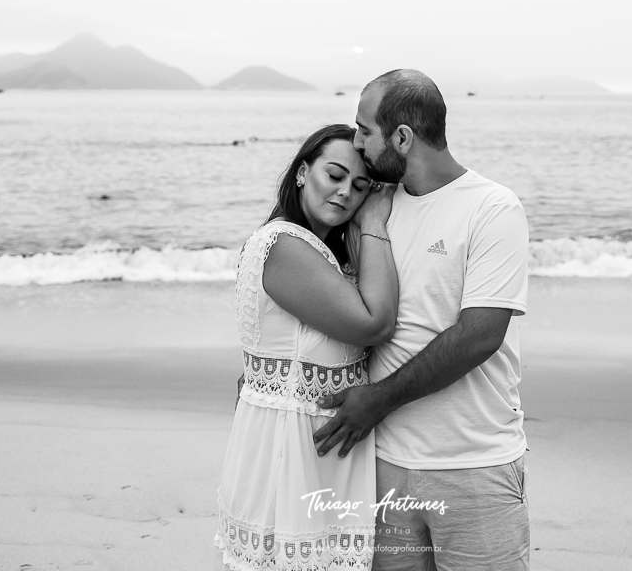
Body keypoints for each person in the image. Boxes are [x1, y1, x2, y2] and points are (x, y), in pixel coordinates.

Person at [314, 70, 531, 570]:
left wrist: (379, 399)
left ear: (402, 138)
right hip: (382, 466)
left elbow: (480, 336)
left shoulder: (492, 208)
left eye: (365, 130)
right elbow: (326, 288)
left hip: (473, 466)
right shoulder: (373, 207)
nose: (357, 143)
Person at [215, 123, 399, 571]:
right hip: (293, 450)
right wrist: (375, 222)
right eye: (334, 175)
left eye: (360, 186)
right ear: (302, 173)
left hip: (318, 445)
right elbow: (374, 323)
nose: (345, 192)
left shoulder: (321, 249)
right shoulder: (283, 244)